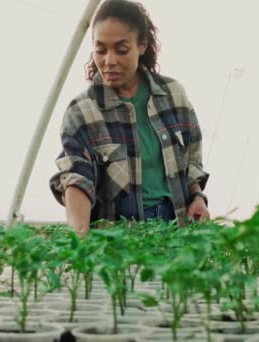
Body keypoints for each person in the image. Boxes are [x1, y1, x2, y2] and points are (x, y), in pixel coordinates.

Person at [50, 0, 209, 237]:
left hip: (177, 230)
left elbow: (190, 162)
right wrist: (79, 240)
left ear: (142, 46)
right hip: (121, 240)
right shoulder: (83, 111)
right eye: (100, 49)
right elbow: (77, 178)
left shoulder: (173, 95)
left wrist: (197, 197)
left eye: (121, 49)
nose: (109, 60)